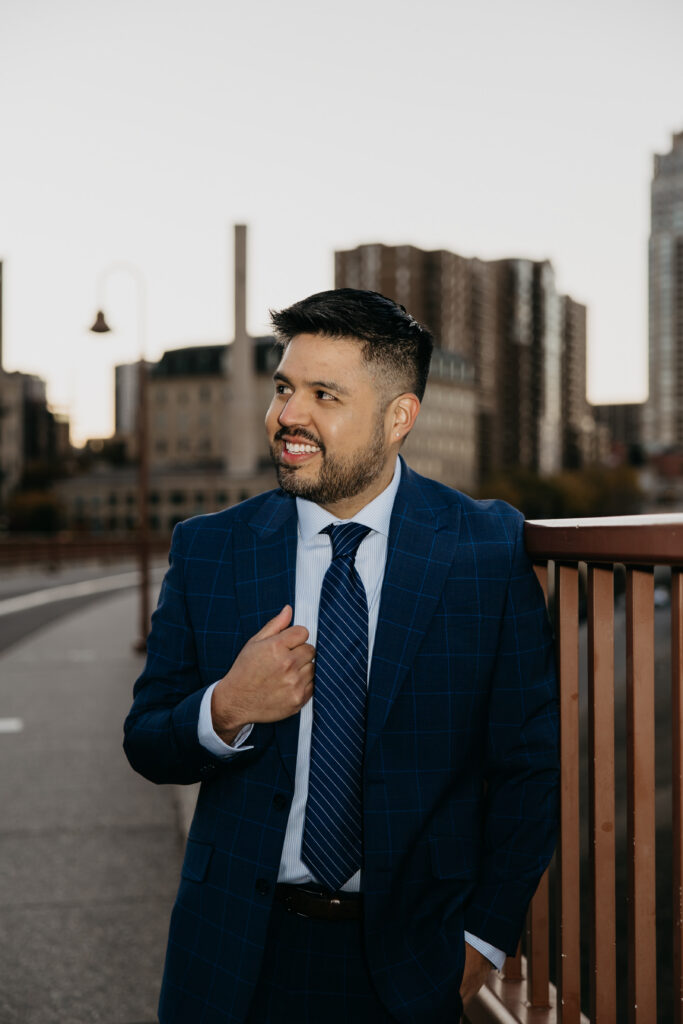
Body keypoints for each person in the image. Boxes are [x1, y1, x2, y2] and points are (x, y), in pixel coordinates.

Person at [123, 288, 559, 1024]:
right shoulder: (210, 550)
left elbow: (528, 768)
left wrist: (482, 939)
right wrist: (226, 708)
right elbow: (147, 741)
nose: (288, 417)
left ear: (398, 418)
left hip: (408, 962)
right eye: (284, 389)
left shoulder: (486, 551)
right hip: (231, 955)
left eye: (324, 395)